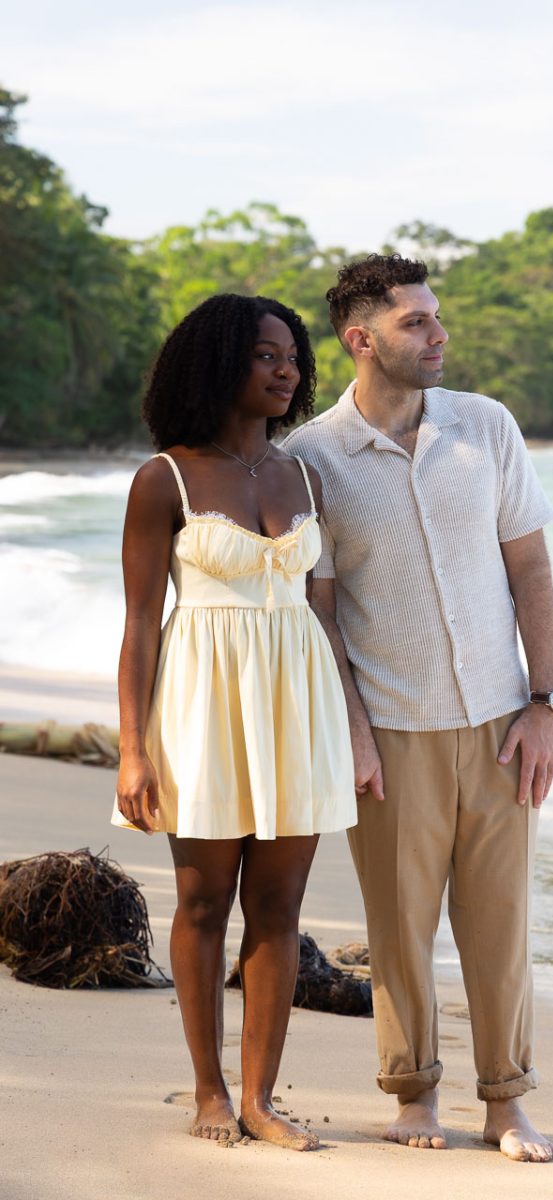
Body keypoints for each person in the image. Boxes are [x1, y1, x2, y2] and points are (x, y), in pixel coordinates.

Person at [283, 254, 553, 1164]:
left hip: (496, 725)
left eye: (437, 319)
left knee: (499, 927)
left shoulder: (487, 428)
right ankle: (412, 1095)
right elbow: (320, 616)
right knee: (399, 930)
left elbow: (530, 569)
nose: (439, 335)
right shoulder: (310, 460)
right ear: (362, 340)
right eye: (416, 323)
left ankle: (508, 1103)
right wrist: (354, 735)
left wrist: (545, 703)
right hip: (390, 733)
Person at [112, 293, 356, 1150]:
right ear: (218, 364)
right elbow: (141, 625)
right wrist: (133, 750)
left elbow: (321, 615)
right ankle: (209, 1090)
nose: (287, 369)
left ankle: (260, 1098)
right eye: (265, 355)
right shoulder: (165, 478)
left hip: (298, 703)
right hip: (203, 702)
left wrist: (351, 733)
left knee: (280, 906)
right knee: (204, 897)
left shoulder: (303, 475)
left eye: (292, 355)